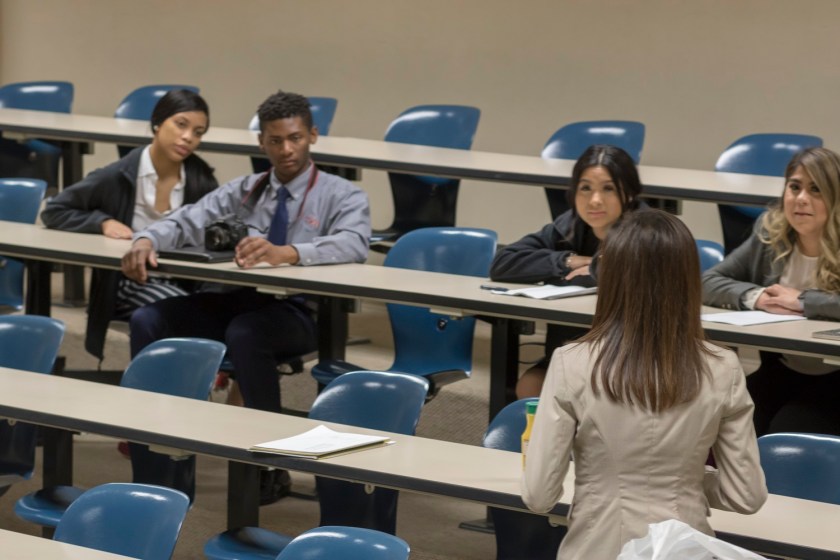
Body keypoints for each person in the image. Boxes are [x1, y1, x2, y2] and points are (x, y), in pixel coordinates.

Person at [521, 209, 767, 559]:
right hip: (685, 549)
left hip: (597, 548)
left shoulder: (569, 363)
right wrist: (685, 477)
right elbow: (746, 496)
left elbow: (538, 495)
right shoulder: (723, 367)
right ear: (688, 278)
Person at [41, 89, 218, 360]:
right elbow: (55, 210)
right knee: (180, 310)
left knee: (220, 308)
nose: (188, 137)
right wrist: (101, 221)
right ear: (158, 123)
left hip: (183, 279)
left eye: (198, 132)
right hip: (126, 280)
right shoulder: (118, 174)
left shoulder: (200, 179)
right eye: (181, 125)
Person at [703, 147, 840, 437]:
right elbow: (708, 281)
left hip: (835, 378)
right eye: (794, 187)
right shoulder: (770, 235)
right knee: (722, 420)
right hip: (780, 371)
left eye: (815, 190)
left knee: (786, 430)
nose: (801, 199)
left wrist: (803, 301)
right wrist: (757, 297)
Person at [489, 144, 643, 398]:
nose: (595, 200)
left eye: (608, 189)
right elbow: (503, 263)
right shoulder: (570, 225)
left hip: (628, 356)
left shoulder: (649, 231)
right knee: (531, 387)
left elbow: (621, 276)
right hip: (569, 352)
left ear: (629, 193)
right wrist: (567, 261)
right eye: (585, 188)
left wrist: (594, 266)